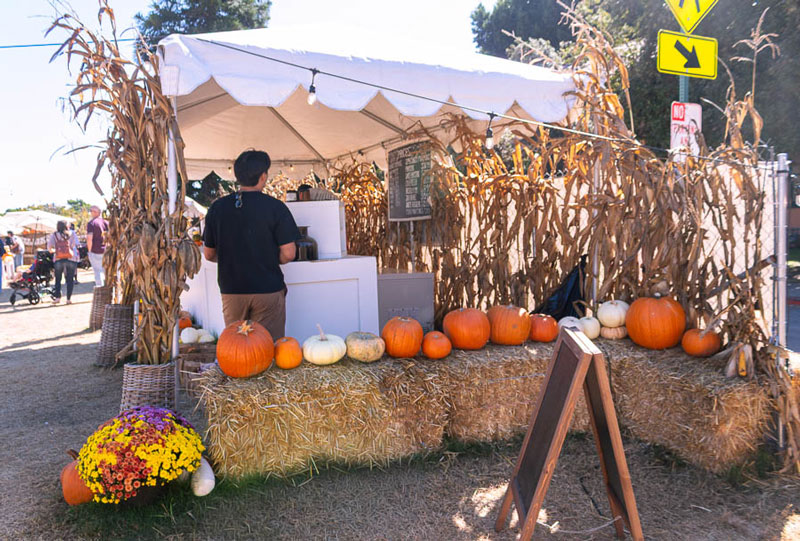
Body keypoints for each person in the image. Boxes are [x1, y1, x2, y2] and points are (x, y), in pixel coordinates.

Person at [203, 150, 299, 339]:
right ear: (263, 176)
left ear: (237, 176)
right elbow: (289, 253)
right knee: (269, 345)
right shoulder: (276, 207)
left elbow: (208, 254)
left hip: (232, 289)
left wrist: (233, 258)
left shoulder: (217, 208)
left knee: (237, 348)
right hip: (268, 288)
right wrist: (268, 258)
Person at [47, 221, 79, 305]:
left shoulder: (54, 235)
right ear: (67, 226)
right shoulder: (72, 233)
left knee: (58, 279)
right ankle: (68, 299)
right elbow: (76, 244)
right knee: (70, 279)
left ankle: (57, 298)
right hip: (71, 257)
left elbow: (49, 248)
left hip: (58, 258)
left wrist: (56, 250)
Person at [86, 206, 107, 286]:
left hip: (95, 250)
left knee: (98, 272)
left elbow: (89, 238)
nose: (90, 213)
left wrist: (89, 250)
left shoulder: (91, 223)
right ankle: (108, 290)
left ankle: (100, 289)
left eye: (91, 211)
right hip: (106, 249)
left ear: (95, 212)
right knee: (106, 272)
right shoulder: (105, 222)